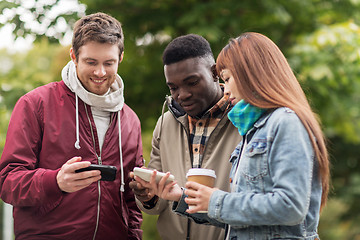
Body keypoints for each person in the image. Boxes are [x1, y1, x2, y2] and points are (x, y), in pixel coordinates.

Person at [139, 32, 331, 240]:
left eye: (228, 79)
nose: (226, 89)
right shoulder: (253, 130)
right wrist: (181, 196)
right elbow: (241, 218)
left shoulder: (286, 122)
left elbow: (291, 206)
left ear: (251, 74)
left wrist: (215, 201)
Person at [0, 12, 143, 240]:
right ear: (73, 56)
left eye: (109, 63)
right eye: (91, 62)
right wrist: (55, 181)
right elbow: (8, 181)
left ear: (121, 58)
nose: (100, 72)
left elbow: (131, 203)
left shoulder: (130, 119)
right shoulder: (35, 104)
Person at [129, 34, 241, 240]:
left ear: (215, 73)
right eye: (173, 88)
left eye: (192, 82)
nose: (182, 95)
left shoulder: (243, 120)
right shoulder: (165, 124)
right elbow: (157, 206)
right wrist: (148, 196)